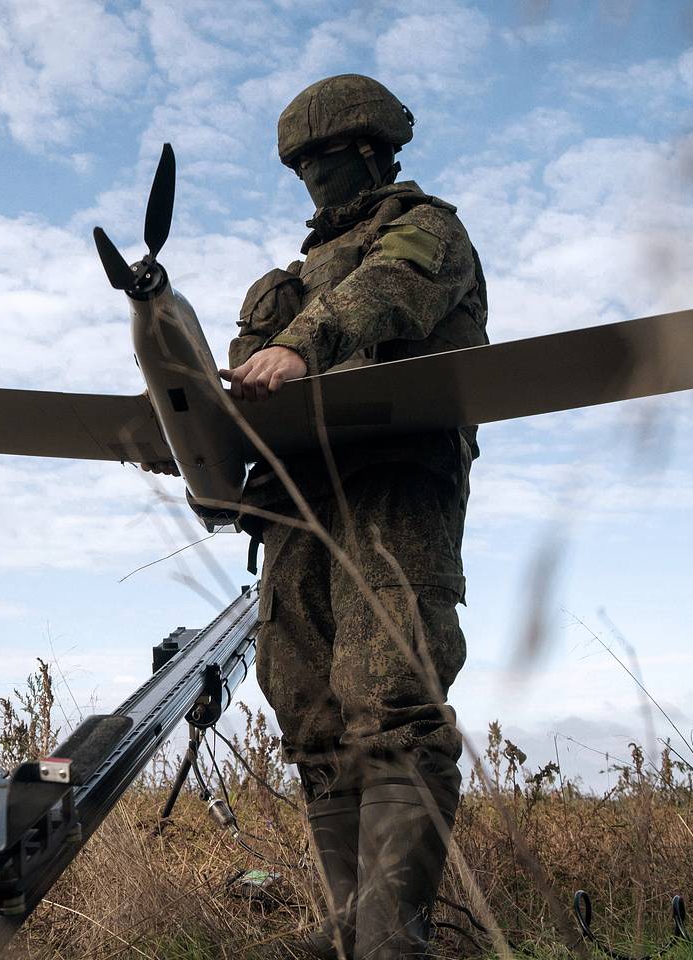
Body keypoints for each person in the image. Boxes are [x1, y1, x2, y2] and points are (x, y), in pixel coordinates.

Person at [218, 75, 489, 959]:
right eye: (298, 165)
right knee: (308, 707)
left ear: (371, 149)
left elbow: (393, 290)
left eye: (323, 158)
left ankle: (390, 944)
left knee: (391, 700)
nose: (312, 176)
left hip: (394, 479)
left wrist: (303, 345)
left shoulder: (427, 231)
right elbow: (242, 379)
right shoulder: (286, 284)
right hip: (299, 497)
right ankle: (350, 938)